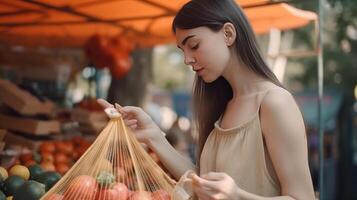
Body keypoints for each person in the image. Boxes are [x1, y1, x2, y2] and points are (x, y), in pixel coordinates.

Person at [98, 0, 315, 199]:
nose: (186, 59)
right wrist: (153, 135)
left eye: (193, 45)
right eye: (182, 50)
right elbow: (202, 183)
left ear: (228, 34)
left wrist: (237, 196)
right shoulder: (225, 104)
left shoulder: (274, 102)